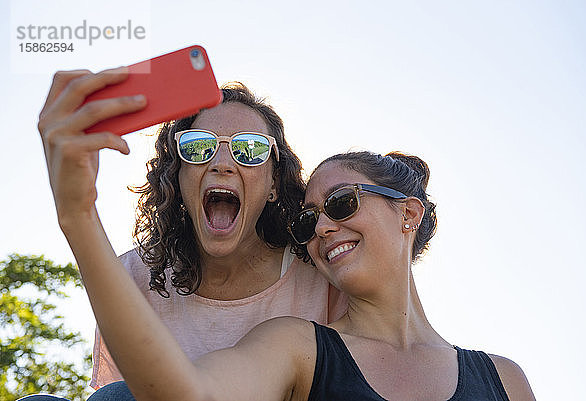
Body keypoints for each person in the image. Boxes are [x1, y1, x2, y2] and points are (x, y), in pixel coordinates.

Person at [39, 94, 538, 401]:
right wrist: (79, 217)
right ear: (177, 171)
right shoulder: (298, 346)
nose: (320, 228)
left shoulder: (504, 379)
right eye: (308, 221)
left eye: (341, 204)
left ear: (409, 214)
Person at [24, 68, 345, 400]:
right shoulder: (133, 276)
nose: (223, 163)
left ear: (273, 184)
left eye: (249, 149)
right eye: (198, 147)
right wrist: (77, 209)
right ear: (177, 177)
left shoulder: (322, 275)